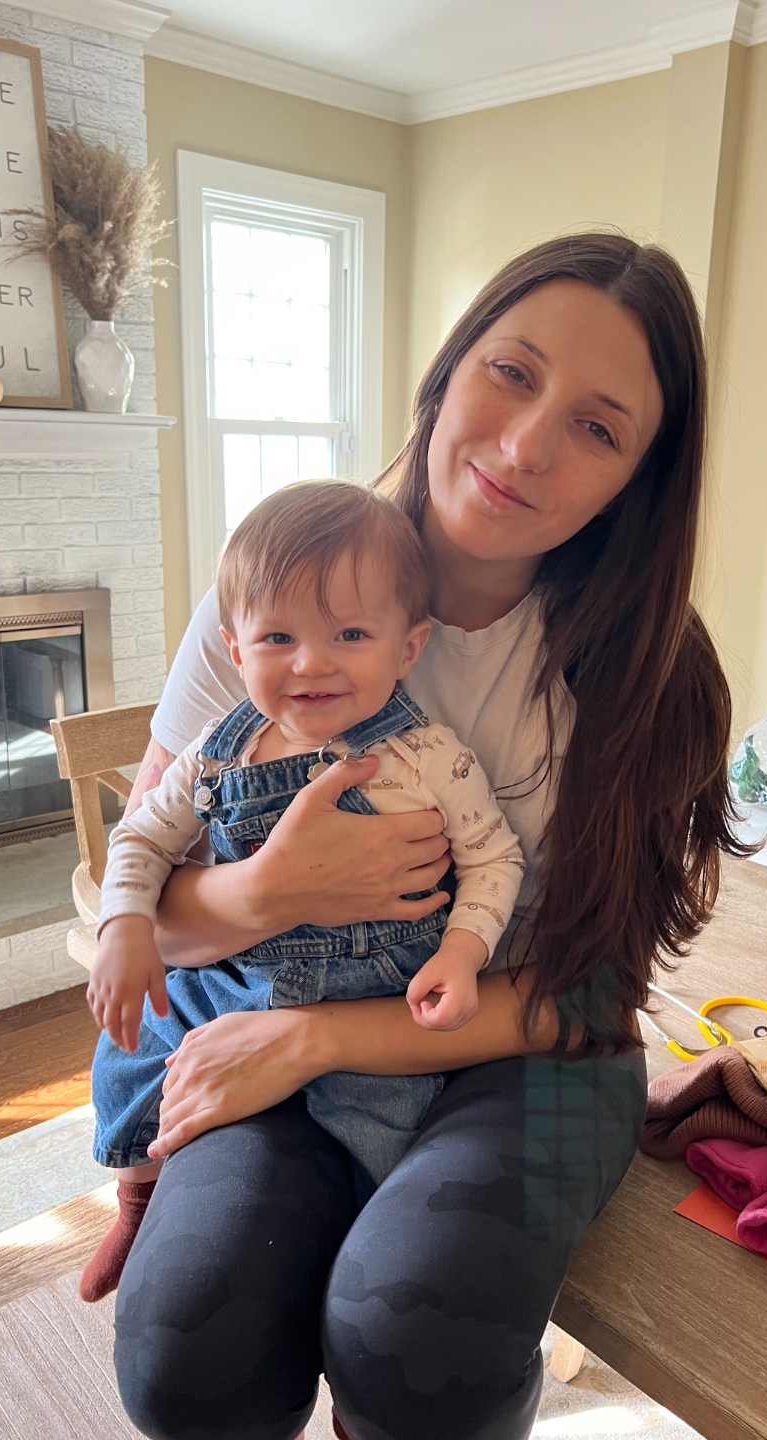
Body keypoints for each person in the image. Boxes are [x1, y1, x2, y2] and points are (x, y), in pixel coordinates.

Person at [111, 233, 749, 1440]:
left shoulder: (648, 675)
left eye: (596, 428)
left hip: (526, 1046)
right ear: (447, 370)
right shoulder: (271, 598)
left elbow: (591, 998)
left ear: (635, 479)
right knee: (185, 1355)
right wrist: (264, 898)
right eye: (511, 373)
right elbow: (144, 900)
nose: (524, 446)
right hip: (269, 1002)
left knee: (416, 1344)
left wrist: (315, 1039)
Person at [80, 481, 524, 1302]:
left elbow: (494, 859)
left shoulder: (429, 756)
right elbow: (142, 837)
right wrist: (124, 927)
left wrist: (464, 954)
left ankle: (345, 1279)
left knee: (383, 1152)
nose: (312, 663)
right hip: (233, 979)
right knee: (130, 1046)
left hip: (375, 996)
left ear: (408, 647)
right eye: (278, 637)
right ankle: (138, 1203)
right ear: (235, 649)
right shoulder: (218, 752)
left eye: (350, 634)